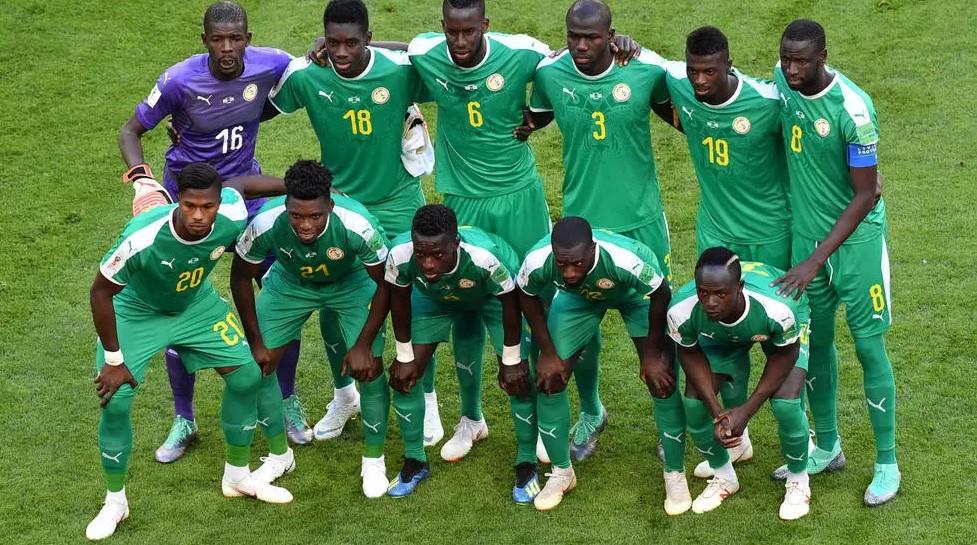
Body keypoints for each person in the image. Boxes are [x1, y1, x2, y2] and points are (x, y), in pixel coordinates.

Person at [117, 1, 308, 461]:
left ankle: (286, 400)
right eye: (217, 39)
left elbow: (321, 62)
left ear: (248, 37)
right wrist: (141, 178)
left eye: (235, 38)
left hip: (247, 199)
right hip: (191, 209)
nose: (227, 48)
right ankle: (184, 418)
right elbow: (130, 130)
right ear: (204, 40)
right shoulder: (179, 80)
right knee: (176, 305)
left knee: (280, 294)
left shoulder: (273, 63)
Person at [519, 0, 683, 470]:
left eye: (592, 37)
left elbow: (686, 107)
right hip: (580, 233)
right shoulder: (550, 74)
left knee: (659, 331)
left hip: (642, 225)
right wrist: (526, 125)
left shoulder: (645, 69)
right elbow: (540, 111)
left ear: (612, 35)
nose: (581, 46)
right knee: (580, 329)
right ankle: (592, 412)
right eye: (573, 35)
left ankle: (667, 425)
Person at [86, 164, 292, 540]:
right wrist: (114, 360)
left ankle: (238, 476)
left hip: (196, 307)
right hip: (137, 313)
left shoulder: (231, 212)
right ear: (177, 201)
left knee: (247, 377)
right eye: (190, 205)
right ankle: (115, 502)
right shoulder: (143, 237)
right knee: (114, 402)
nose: (199, 215)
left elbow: (241, 185)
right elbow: (100, 291)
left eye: (207, 206)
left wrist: (289, 183)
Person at [268, 0, 433, 444]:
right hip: (337, 208)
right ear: (323, 37)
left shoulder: (399, 71)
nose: (341, 52)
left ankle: (428, 397)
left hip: (398, 203)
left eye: (352, 42)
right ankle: (345, 397)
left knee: (407, 300)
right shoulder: (307, 76)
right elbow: (261, 106)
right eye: (333, 42)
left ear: (368, 38)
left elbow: (434, 53)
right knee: (331, 302)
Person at [772, 19, 899, 506]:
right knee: (816, 343)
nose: (792, 68)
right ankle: (827, 446)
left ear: (824, 55)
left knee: (869, 348)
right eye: (786, 58)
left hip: (855, 245)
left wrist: (812, 261)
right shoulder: (783, 82)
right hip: (807, 241)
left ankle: (886, 462)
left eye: (802, 60)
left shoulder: (854, 110)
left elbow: (866, 195)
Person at [661, 25, 792, 478]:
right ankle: (734, 436)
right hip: (716, 236)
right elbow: (647, 69)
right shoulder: (678, 83)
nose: (699, 82)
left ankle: (810, 435)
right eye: (693, 72)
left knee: (783, 330)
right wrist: (626, 46)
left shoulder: (769, 101)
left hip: (772, 235)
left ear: (729, 65)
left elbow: (814, 136)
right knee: (718, 337)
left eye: (709, 73)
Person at [231, 160, 393, 498]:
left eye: (315, 216)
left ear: (330, 206)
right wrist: (255, 340)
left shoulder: (359, 226)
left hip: (351, 283)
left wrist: (363, 344)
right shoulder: (265, 222)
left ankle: (374, 459)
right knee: (256, 367)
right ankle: (279, 457)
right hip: (291, 283)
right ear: (285, 205)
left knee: (371, 369)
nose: (305, 225)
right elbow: (239, 276)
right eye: (296, 215)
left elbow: (387, 285)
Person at [517, 217, 672, 512]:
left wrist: (652, 354)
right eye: (562, 265)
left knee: (661, 375)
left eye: (577, 262)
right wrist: (548, 352)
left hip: (635, 296)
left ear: (592, 248)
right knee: (549, 378)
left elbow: (660, 295)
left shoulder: (629, 260)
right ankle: (562, 473)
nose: (570, 272)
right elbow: (526, 294)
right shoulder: (539, 260)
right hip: (579, 300)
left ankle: (674, 466)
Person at [384, 205, 537, 502]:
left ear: (456, 243)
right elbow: (399, 298)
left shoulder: (487, 258)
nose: (427, 263)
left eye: (437, 255)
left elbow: (510, 303)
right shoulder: (401, 254)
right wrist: (403, 354)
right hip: (435, 298)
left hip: (493, 297)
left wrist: (510, 360)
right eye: (421, 254)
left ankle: (527, 463)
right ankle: (414, 461)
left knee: (518, 376)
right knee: (406, 374)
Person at [669, 249, 812, 520]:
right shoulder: (681, 309)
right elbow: (688, 352)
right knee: (694, 403)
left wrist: (746, 411)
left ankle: (798, 479)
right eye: (703, 293)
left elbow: (785, 354)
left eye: (720, 294)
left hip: (781, 335)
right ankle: (724, 476)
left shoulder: (779, 308)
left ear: (739, 288)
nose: (710, 301)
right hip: (721, 333)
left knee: (786, 403)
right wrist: (716, 412)